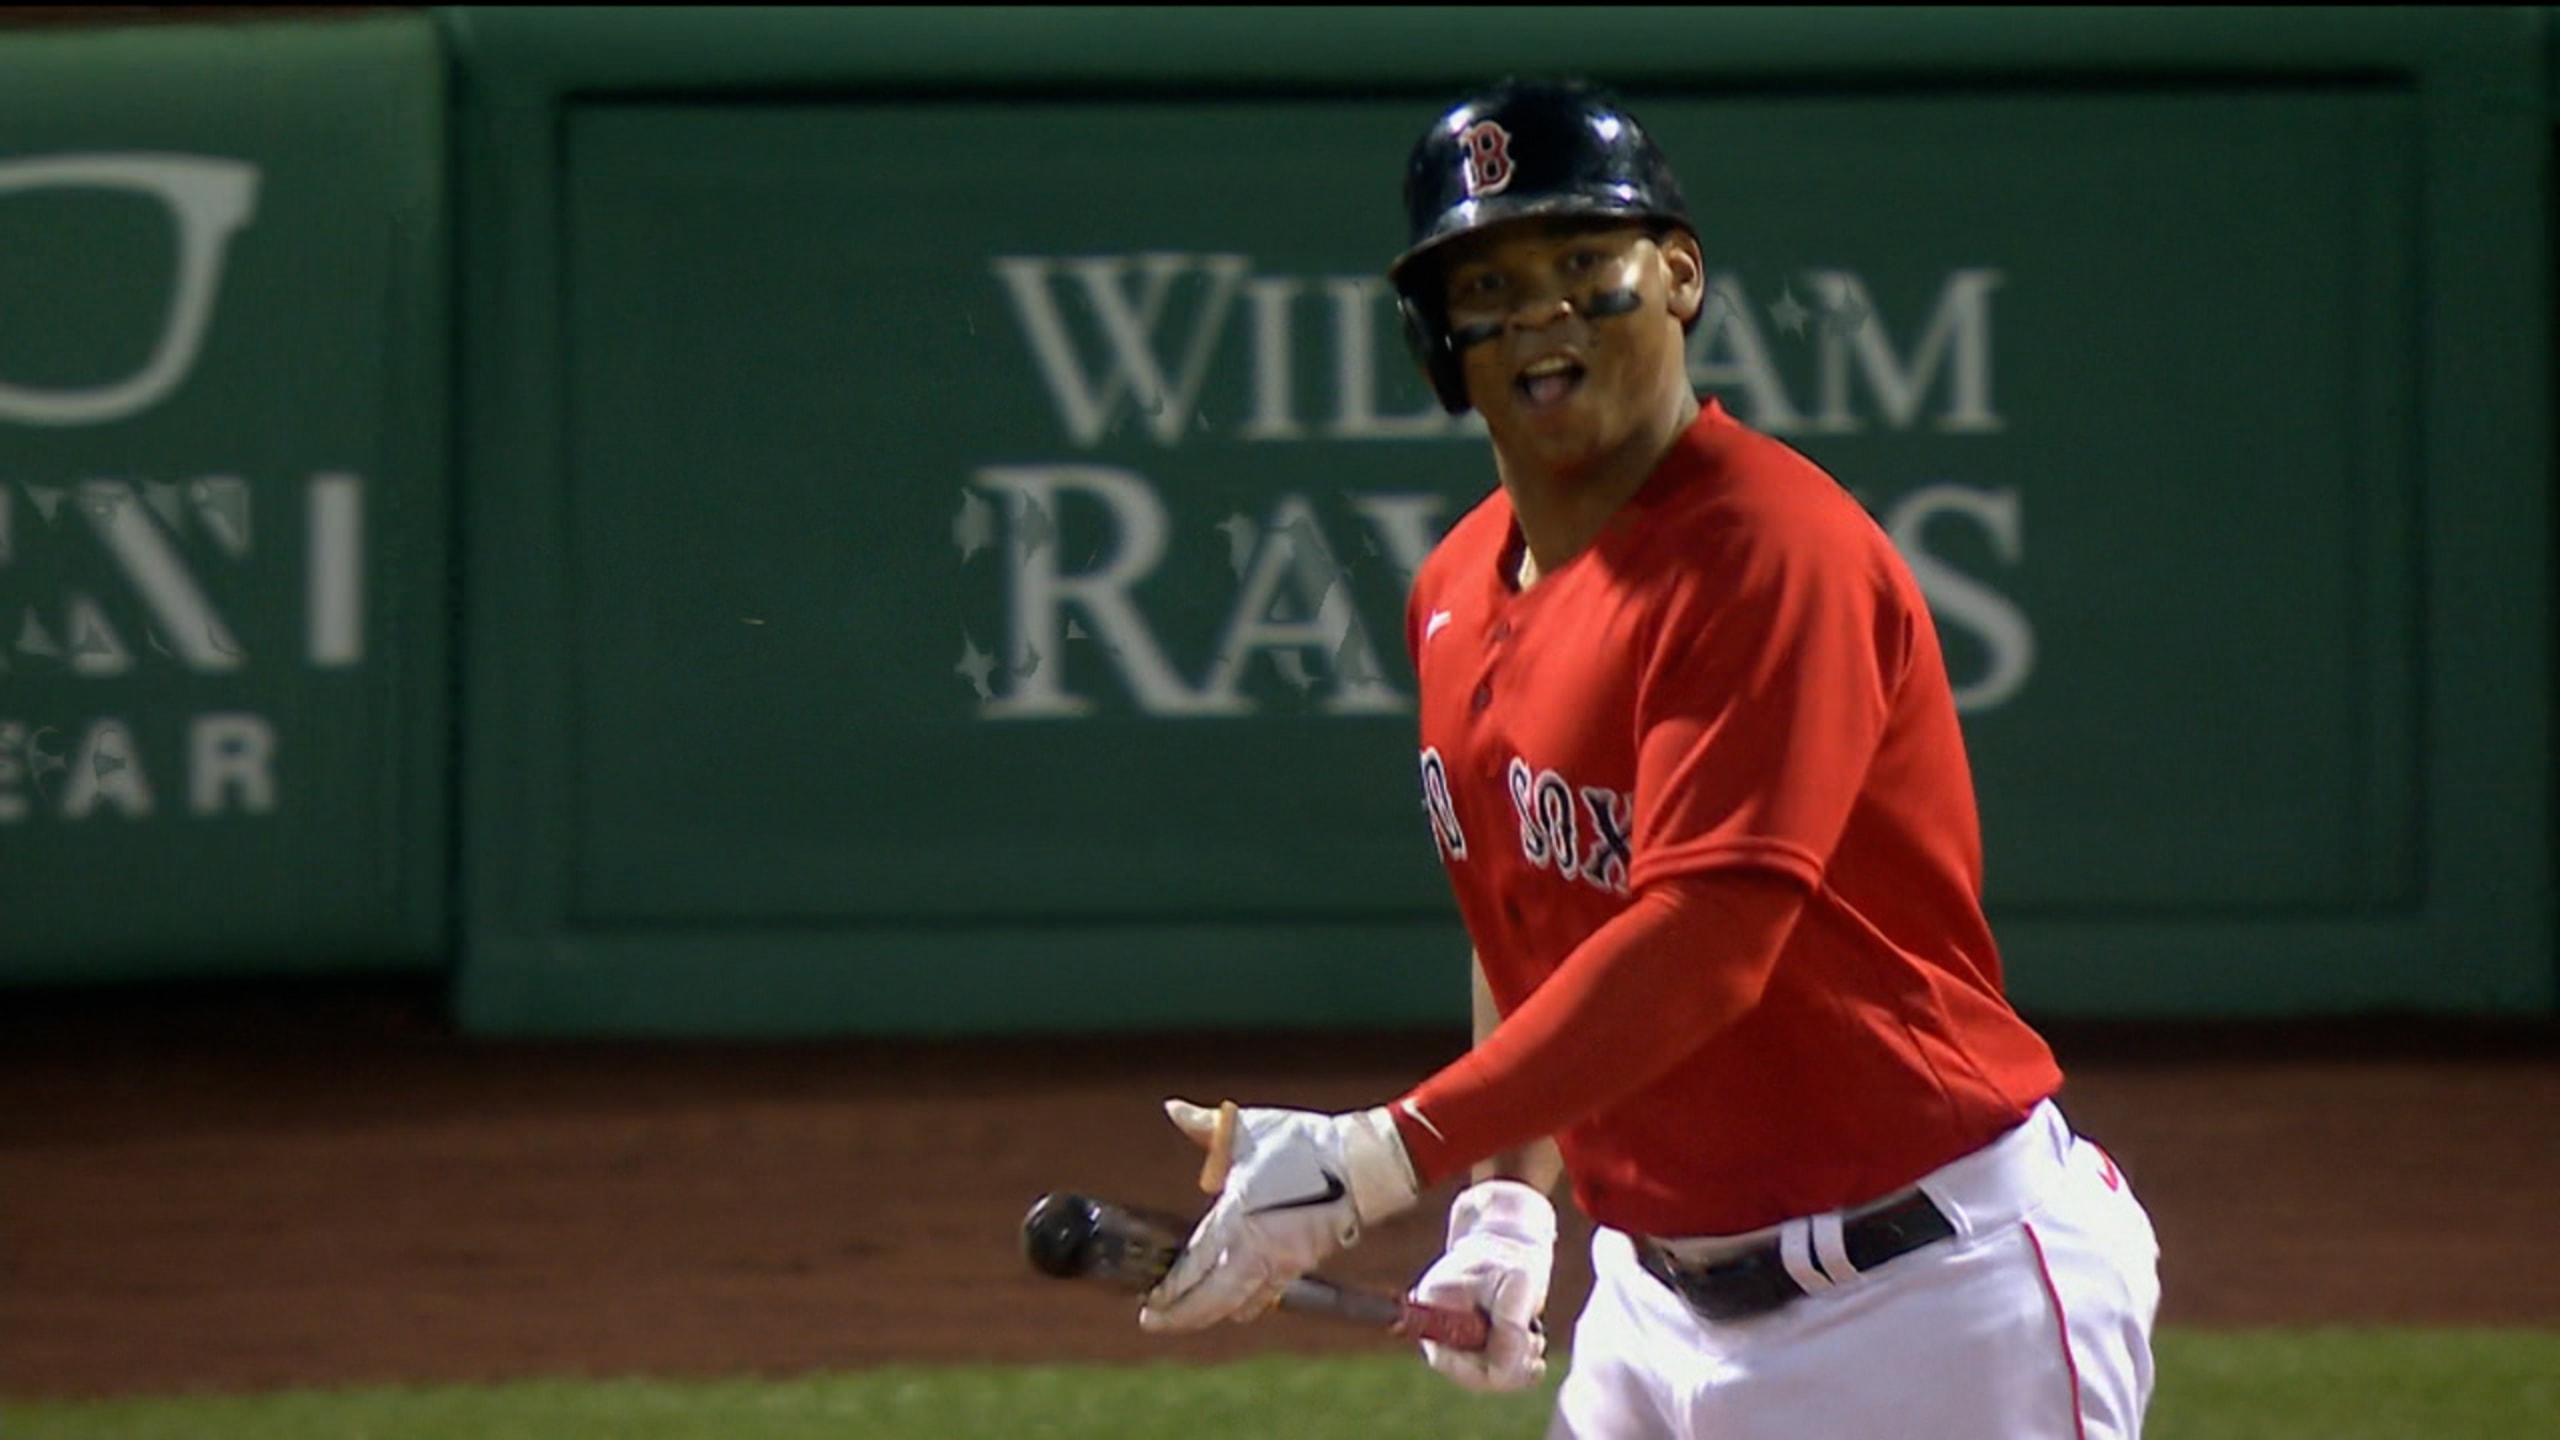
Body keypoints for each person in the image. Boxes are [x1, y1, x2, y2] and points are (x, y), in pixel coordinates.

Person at [1134, 76, 2162, 1439]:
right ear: (1437, 337)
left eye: (1582, 262)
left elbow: (1706, 941)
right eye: (1487, 285)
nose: (1540, 315)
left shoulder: (1766, 553)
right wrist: (1507, 1204)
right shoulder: (1457, 587)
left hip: (1926, 1302)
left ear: (1679, 276)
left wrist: (1383, 1155)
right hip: (1650, 1305)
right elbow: (1540, 924)